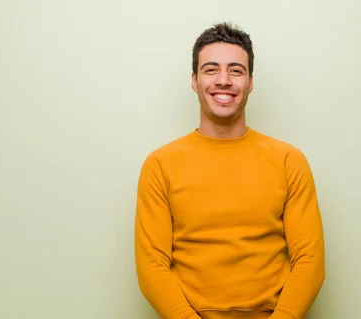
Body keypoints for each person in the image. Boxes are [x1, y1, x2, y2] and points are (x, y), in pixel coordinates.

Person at [134, 22, 325, 319]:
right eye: (211, 70)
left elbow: (309, 259)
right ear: (195, 81)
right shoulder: (160, 165)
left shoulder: (289, 160)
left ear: (250, 82)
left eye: (236, 70)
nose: (224, 80)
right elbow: (152, 265)